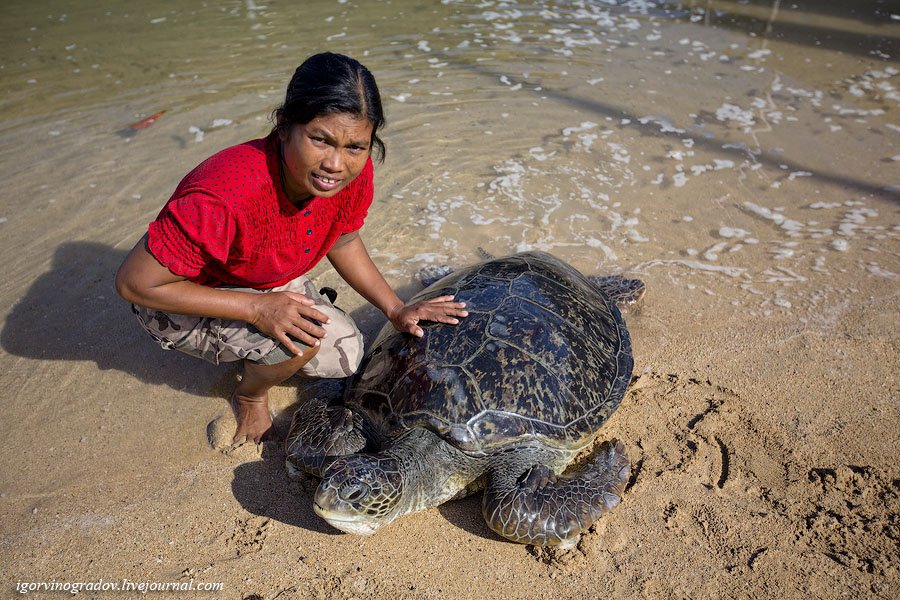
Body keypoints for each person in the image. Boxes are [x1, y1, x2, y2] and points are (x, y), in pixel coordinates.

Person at [115, 52, 468, 446]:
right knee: (300, 343)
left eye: (355, 146)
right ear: (284, 127)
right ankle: (250, 393)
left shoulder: (348, 174)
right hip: (178, 293)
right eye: (320, 139)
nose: (336, 163)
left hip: (256, 273)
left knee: (345, 355)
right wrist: (257, 308)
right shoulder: (227, 194)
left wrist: (395, 308)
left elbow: (344, 237)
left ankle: (265, 346)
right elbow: (134, 284)